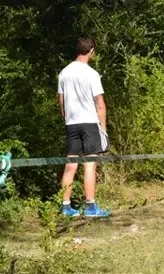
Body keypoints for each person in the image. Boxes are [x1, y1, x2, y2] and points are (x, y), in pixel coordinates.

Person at [57, 36, 110, 217]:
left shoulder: (64, 73)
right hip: (89, 123)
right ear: (91, 51)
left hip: (71, 123)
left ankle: (65, 207)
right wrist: (102, 128)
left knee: (70, 165)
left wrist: (67, 118)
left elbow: (61, 101)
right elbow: (100, 104)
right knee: (89, 165)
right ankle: (90, 207)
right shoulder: (91, 74)